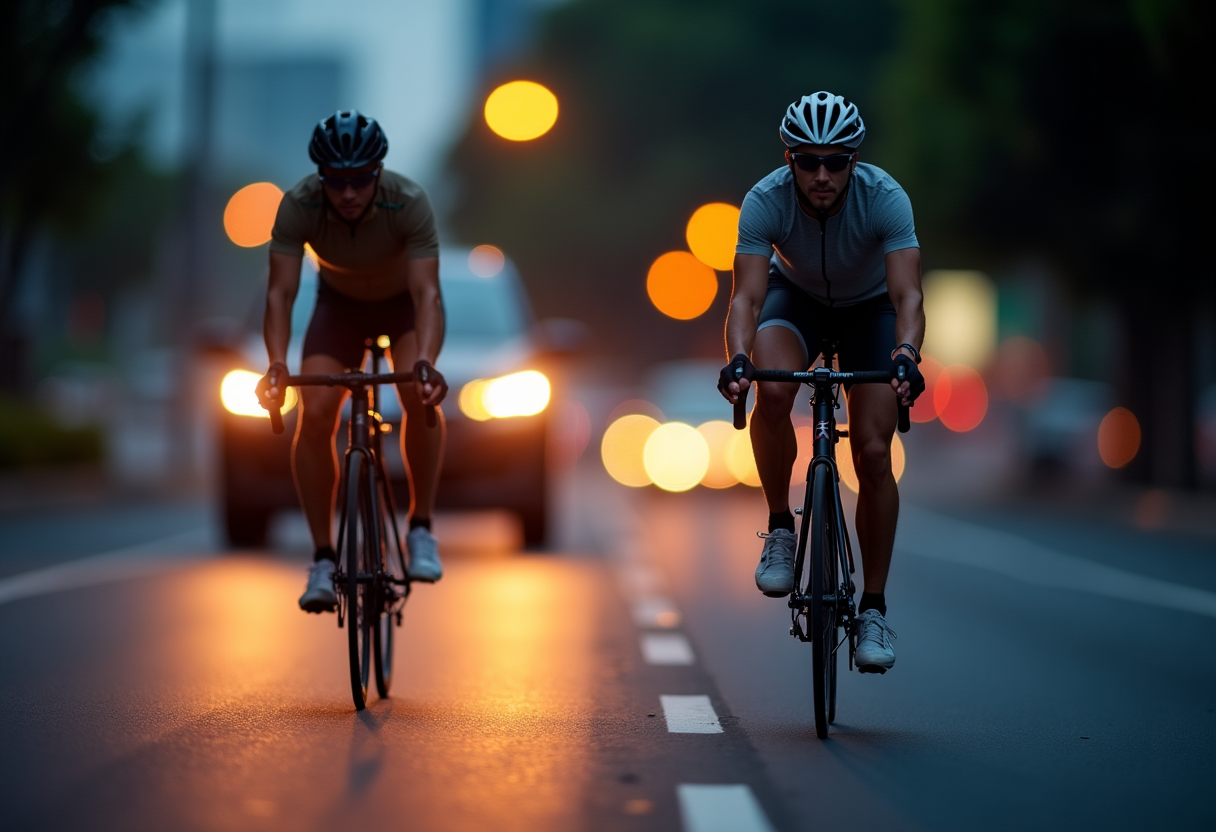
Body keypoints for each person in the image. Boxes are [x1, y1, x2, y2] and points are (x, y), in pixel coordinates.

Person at [717, 91, 926, 673]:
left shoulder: (884, 198)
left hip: (871, 310)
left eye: (836, 160)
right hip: (798, 299)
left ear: (854, 160)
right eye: (807, 161)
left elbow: (908, 294)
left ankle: (874, 609)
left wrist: (906, 354)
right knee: (775, 386)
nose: (822, 174)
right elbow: (749, 298)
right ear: (790, 160)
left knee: (874, 450)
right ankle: (782, 528)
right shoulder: (765, 201)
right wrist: (738, 358)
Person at [256, 110, 448, 613]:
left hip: (402, 305)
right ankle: (322, 558)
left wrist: (425, 361)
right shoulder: (298, 205)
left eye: (360, 179)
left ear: (378, 172)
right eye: (336, 181)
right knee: (315, 415)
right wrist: (277, 365)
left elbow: (428, 293)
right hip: (337, 307)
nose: (347, 193)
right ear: (321, 178)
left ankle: (421, 528)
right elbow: (279, 296)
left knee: (417, 392)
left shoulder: (409, 201)